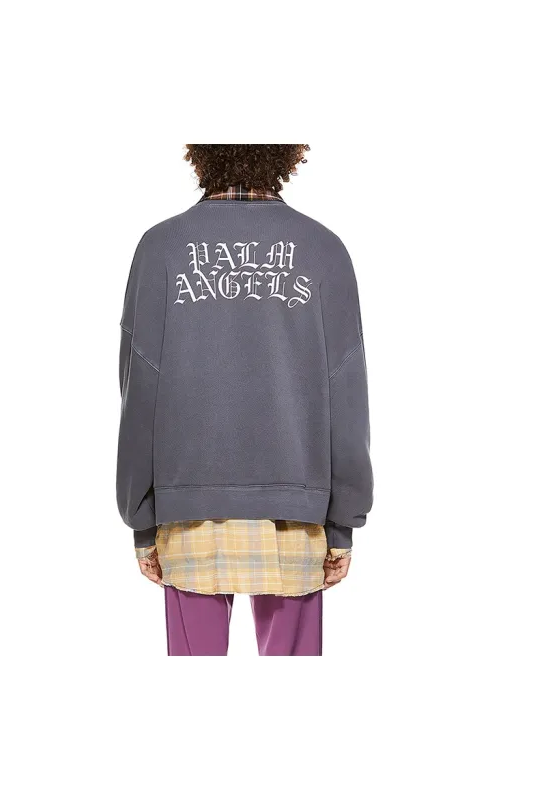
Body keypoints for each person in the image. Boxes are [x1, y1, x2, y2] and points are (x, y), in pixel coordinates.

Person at [117, 144, 372, 656]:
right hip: (296, 510)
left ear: (201, 153)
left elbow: (139, 387)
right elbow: (345, 390)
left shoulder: (161, 248)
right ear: (285, 153)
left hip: (187, 508)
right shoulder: (323, 249)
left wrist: (141, 516)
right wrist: (342, 519)